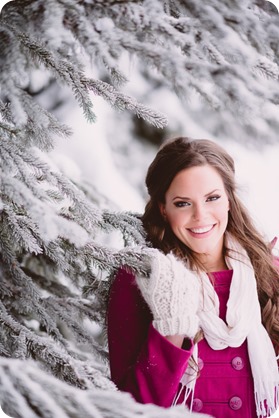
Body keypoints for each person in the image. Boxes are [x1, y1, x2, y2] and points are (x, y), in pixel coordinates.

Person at [107, 137, 279, 418]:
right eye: (183, 203)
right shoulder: (138, 279)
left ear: (229, 200)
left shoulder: (269, 273)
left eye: (212, 198)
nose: (201, 216)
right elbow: (128, 408)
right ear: (164, 208)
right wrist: (171, 327)